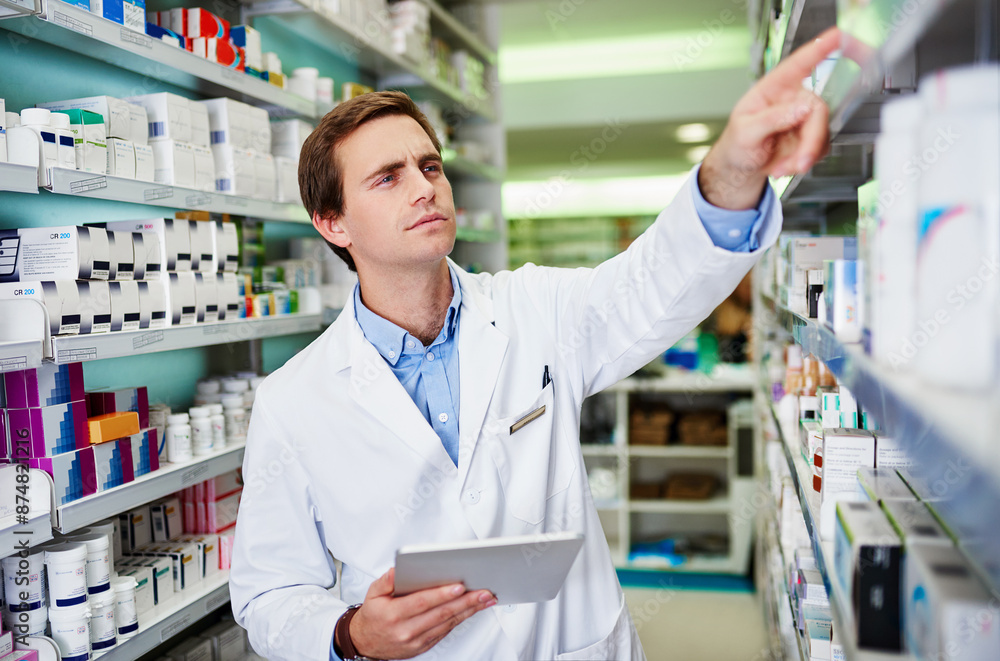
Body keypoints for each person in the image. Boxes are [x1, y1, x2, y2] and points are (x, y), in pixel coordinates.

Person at [230, 29, 841, 661]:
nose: (424, 187)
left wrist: (734, 165)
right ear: (333, 223)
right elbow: (268, 593)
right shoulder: (293, 401)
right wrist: (349, 635)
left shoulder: (536, 310)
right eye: (387, 177)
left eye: (429, 165)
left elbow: (653, 282)